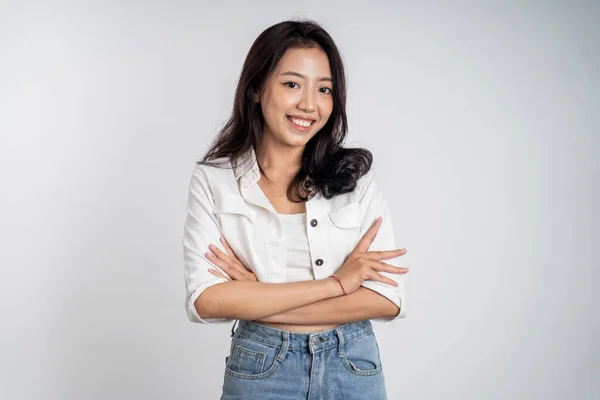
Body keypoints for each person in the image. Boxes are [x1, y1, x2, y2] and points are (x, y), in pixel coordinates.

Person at [183, 19, 409, 399]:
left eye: (324, 89)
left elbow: (387, 299)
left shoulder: (356, 179)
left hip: (352, 363)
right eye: (292, 84)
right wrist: (336, 286)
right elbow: (206, 301)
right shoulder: (214, 180)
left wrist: (256, 297)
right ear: (256, 88)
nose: (309, 104)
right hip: (260, 365)